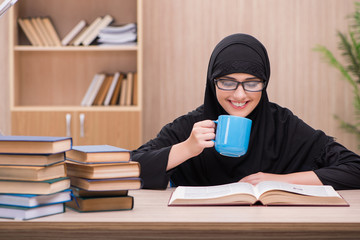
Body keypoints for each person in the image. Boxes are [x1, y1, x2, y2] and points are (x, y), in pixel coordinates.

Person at [132, 33, 360, 190]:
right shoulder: (192, 127)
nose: (239, 95)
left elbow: (354, 168)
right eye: (228, 82)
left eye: (252, 83)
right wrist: (187, 148)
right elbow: (131, 168)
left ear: (265, 83)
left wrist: (276, 181)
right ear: (212, 82)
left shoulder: (282, 124)